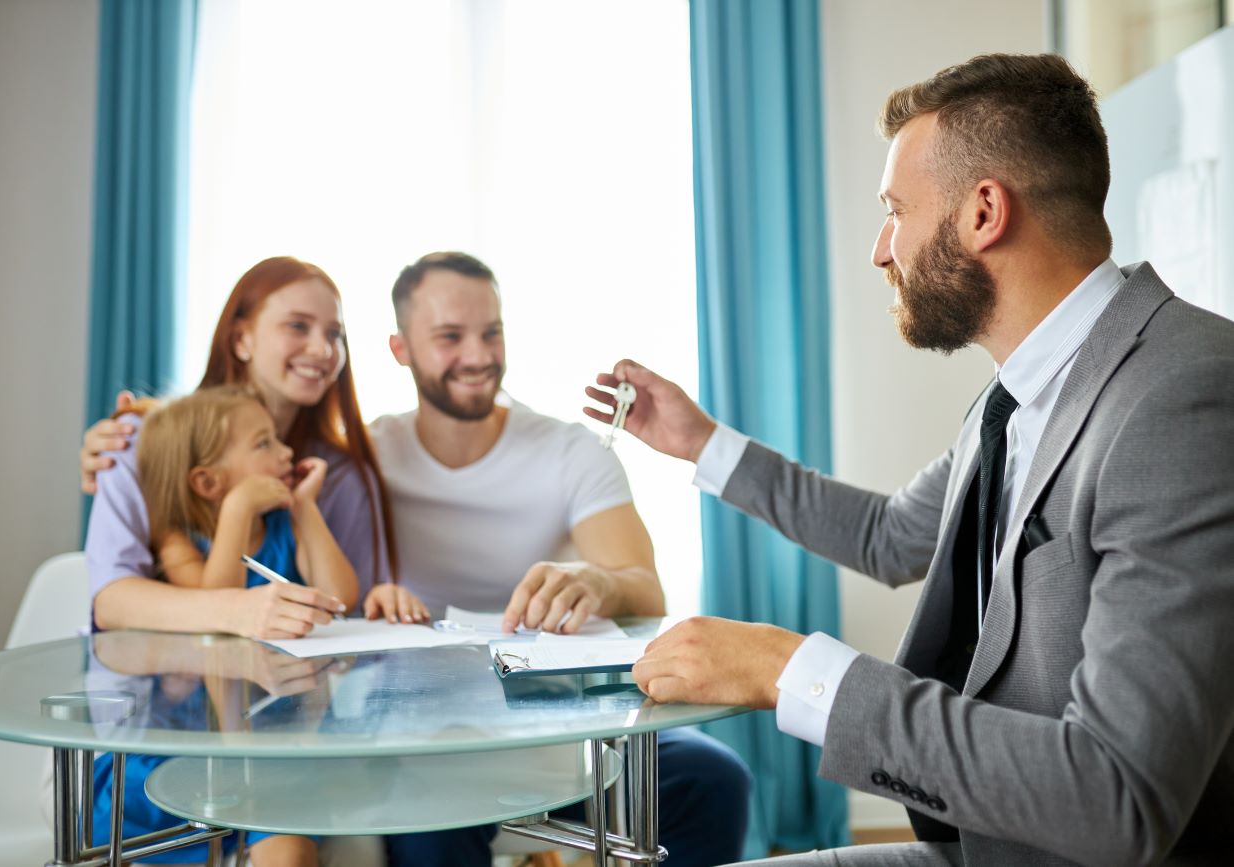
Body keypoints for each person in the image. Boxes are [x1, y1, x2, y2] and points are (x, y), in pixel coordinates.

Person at [587, 53, 1234, 866]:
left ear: (984, 212)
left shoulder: (1182, 396)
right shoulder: (1023, 395)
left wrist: (794, 669)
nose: (880, 250)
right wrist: (698, 442)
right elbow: (893, 535)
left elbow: (1120, 799)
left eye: (896, 210)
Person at [369, 251, 752, 867]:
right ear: (401, 349)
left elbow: (643, 590)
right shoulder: (367, 456)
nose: (478, 355)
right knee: (432, 824)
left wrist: (595, 581)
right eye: (449, 337)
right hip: (427, 730)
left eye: (491, 332)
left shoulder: (569, 452)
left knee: (712, 780)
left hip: (558, 719)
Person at [88, 386, 426, 866]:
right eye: (264, 444)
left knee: (288, 852)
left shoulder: (287, 527)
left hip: (281, 747)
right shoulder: (177, 540)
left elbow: (341, 594)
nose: (287, 452)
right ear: (208, 482)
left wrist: (306, 507)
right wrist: (236, 512)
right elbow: (216, 606)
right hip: (189, 749)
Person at [81, 256, 425, 637]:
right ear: (241, 339)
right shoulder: (136, 440)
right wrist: (236, 612)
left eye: (335, 334)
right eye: (298, 326)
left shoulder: (336, 472)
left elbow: (348, 608)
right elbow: (111, 599)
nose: (324, 350)